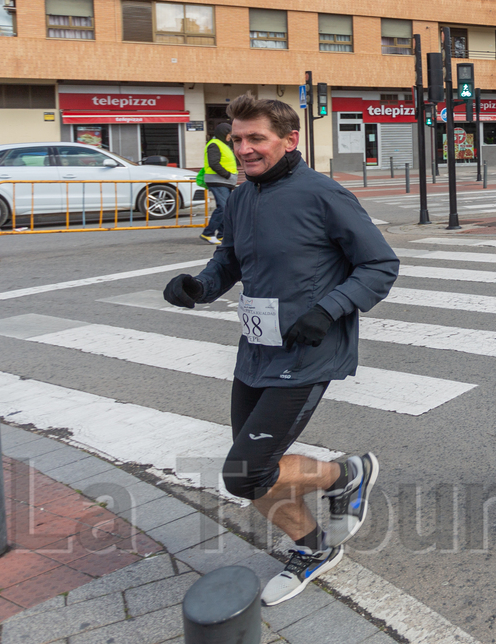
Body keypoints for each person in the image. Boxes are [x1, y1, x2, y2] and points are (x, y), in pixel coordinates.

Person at [162, 95, 399, 606]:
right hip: (256, 349)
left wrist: (330, 308)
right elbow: (230, 258)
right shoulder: (243, 198)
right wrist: (200, 287)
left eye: (256, 139)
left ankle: (348, 473)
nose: (243, 149)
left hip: (308, 352)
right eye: (237, 140)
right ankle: (314, 548)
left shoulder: (323, 194)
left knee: (244, 471)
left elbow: (380, 265)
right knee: (255, 474)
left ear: (290, 140)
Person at [199, 122, 236, 245]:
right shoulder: (214, 145)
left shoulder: (222, 144)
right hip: (218, 180)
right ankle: (208, 233)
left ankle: (222, 235)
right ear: (223, 133)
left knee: (225, 207)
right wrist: (227, 175)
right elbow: (213, 163)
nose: (230, 137)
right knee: (223, 207)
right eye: (229, 134)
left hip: (223, 181)